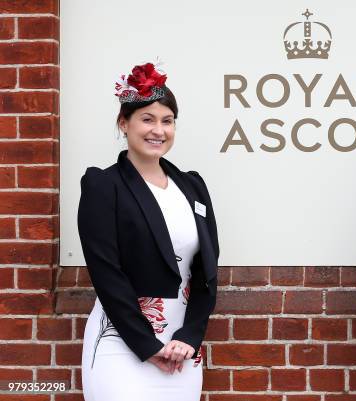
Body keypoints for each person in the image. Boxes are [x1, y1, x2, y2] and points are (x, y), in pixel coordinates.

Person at [78, 62, 219, 401]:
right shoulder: (103, 185)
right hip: (121, 344)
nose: (159, 130)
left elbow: (206, 273)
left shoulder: (193, 187)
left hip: (181, 348)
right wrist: (147, 345)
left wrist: (190, 335)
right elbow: (107, 274)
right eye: (147, 119)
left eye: (167, 121)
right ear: (123, 123)